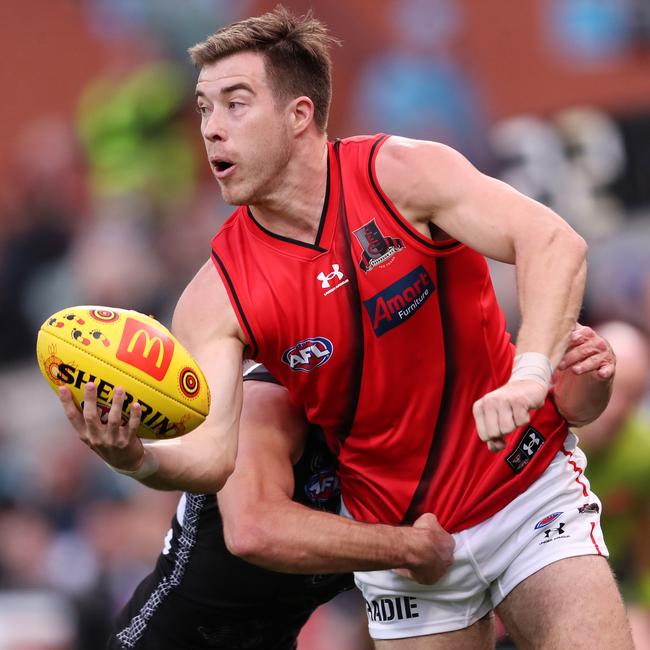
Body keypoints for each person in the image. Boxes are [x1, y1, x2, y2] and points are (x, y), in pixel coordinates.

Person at [57, 6, 632, 649]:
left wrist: (529, 375)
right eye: (203, 109)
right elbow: (212, 457)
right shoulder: (216, 292)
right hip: (405, 539)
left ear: (299, 115)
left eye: (235, 105)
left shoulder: (402, 174)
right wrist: (137, 459)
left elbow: (554, 242)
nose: (211, 130)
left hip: (522, 487)